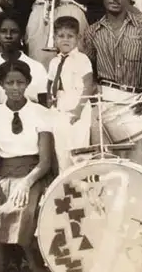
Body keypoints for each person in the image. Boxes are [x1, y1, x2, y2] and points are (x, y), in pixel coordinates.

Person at [80, 0, 142, 166]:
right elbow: (88, 71)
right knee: (107, 167)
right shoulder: (92, 32)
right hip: (104, 105)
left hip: (137, 103)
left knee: (139, 166)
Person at [0, 60, 53, 272]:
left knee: (25, 212)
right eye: (10, 82)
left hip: (33, 174)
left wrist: (26, 184)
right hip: (3, 173)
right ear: (1, 84)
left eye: (20, 82)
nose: (15, 88)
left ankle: (33, 263)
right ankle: (2, 262)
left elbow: (45, 161)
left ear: (28, 83)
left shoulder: (40, 113)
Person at [46, 16, 95, 172]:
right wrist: (50, 100)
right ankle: (64, 182)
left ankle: (81, 183)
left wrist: (79, 110)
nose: (65, 40)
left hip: (78, 106)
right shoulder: (54, 62)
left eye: (70, 36)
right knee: (62, 149)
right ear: (54, 38)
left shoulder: (82, 59)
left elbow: (88, 86)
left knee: (79, 149)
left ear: (77, 38)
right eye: (61, 36)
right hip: (60, 108)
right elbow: (50, 82)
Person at [0, 12, 48, 109]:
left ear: (22, 35)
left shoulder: (37, 68)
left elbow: (44, 106)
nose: (8, 36)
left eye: (14, 31)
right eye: (3, 31)